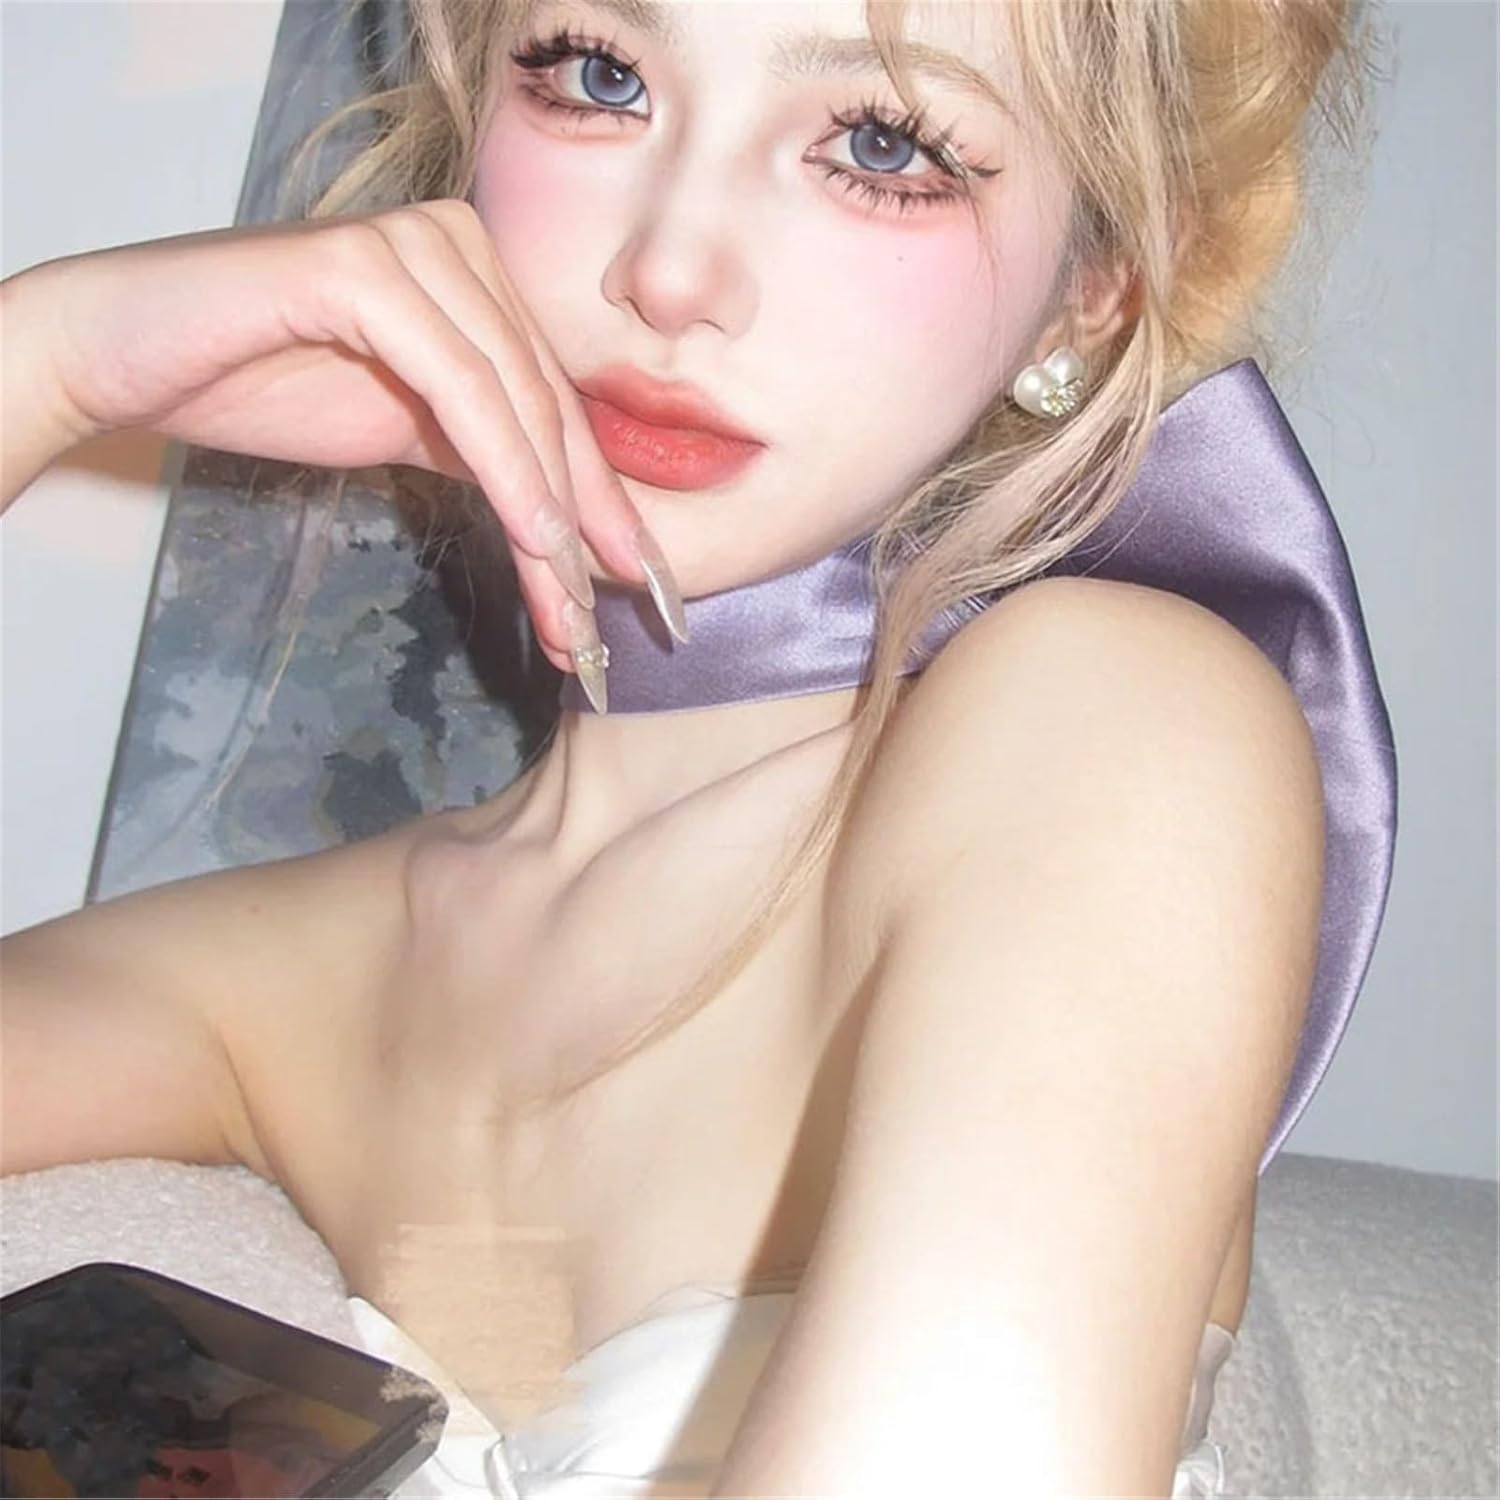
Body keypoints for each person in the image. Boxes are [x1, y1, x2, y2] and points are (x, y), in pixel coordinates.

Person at [0, 0, 1393, 1495]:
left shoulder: (1110, 727)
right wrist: (47, 361)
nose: (667, 272)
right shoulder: (289, 974)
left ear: (1091, 290)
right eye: (599, 77)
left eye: (884, 146)